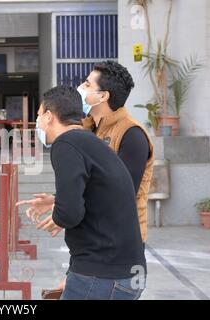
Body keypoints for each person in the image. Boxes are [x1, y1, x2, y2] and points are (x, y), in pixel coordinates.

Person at [20, 61, 154, 244]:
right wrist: (61, 200)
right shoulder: (87, 129)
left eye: (88, 84)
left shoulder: (132, 135)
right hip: (91, 238)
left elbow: (120, 194)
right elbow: (95, 183)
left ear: (102, 96)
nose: (81, 88)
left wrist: (68, 211)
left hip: (119, 242)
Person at [33, 85, 147, 300]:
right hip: (126, 272)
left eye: (38, 116)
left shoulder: (65, 144)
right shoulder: (91, 142)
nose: (37, 122)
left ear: (49, 116)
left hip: (103, 275)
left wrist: (59, 212)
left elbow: (69, 214)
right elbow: (98, 200)